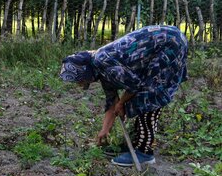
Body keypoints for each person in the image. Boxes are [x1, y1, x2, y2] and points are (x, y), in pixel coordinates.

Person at [59, 25, 188, 167]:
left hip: (169, 43)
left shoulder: (103, 62)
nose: (79, 84)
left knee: (148, 96)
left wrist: (122, 103)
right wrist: (105, 130)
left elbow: (135, 85)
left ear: (84, 71)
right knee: (140, 97)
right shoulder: (101, 69)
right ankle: (136, 145)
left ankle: (144, 152)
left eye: (79, 79)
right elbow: (112, 101)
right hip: (165, 40)